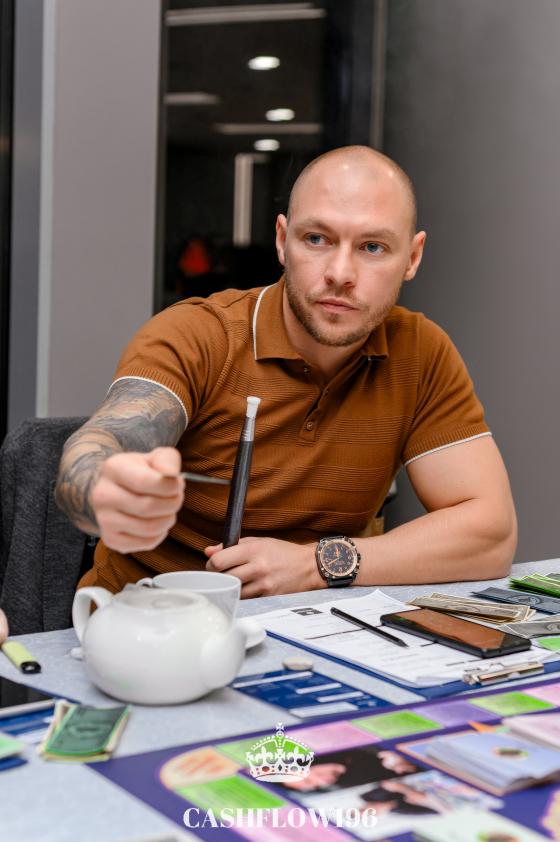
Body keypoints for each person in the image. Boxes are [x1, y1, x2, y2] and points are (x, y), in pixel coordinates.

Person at [55, 145, 517, 596]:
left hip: (312, 630)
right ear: (281, 239)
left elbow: (491, 536)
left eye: (373, 247)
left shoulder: (420, 352)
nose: (340, 272)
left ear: (412, 258)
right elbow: (101, 444)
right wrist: (104, 488)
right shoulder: (198, 335)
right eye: (317, 239)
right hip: (146, 623)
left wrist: (314, 565)